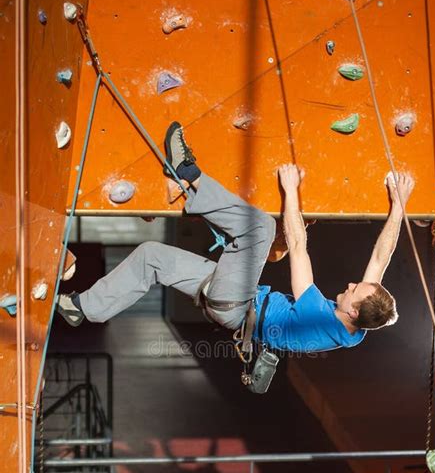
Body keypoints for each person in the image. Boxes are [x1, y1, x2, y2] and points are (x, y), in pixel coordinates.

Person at [58, 122, 414, 355]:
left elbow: (299, 247)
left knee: (260, 228)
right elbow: (380, 259)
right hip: (233, 304)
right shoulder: (360, 323)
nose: (353, 284)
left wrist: (291, 190)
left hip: (237, 303)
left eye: (355, 290)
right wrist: (398, 207)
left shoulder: (317, 318)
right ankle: (83, 307)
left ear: (352, 309)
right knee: (152, 256)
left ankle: (189, 174)